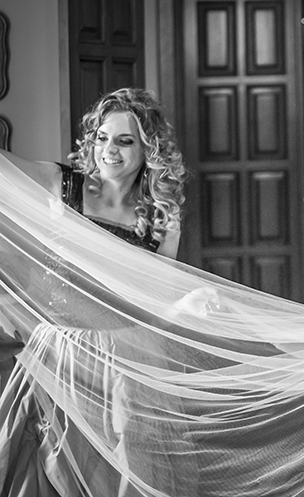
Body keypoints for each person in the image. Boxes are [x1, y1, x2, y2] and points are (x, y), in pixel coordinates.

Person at [0, 87, 189, 496]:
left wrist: (187, 305)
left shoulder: (162, 217)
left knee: (122, 473)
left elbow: (158, 299)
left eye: (125, 140)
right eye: (102, 137)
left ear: (149, 149)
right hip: (57, 356)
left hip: (121, 365)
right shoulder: (62, 184)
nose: (109, 150)